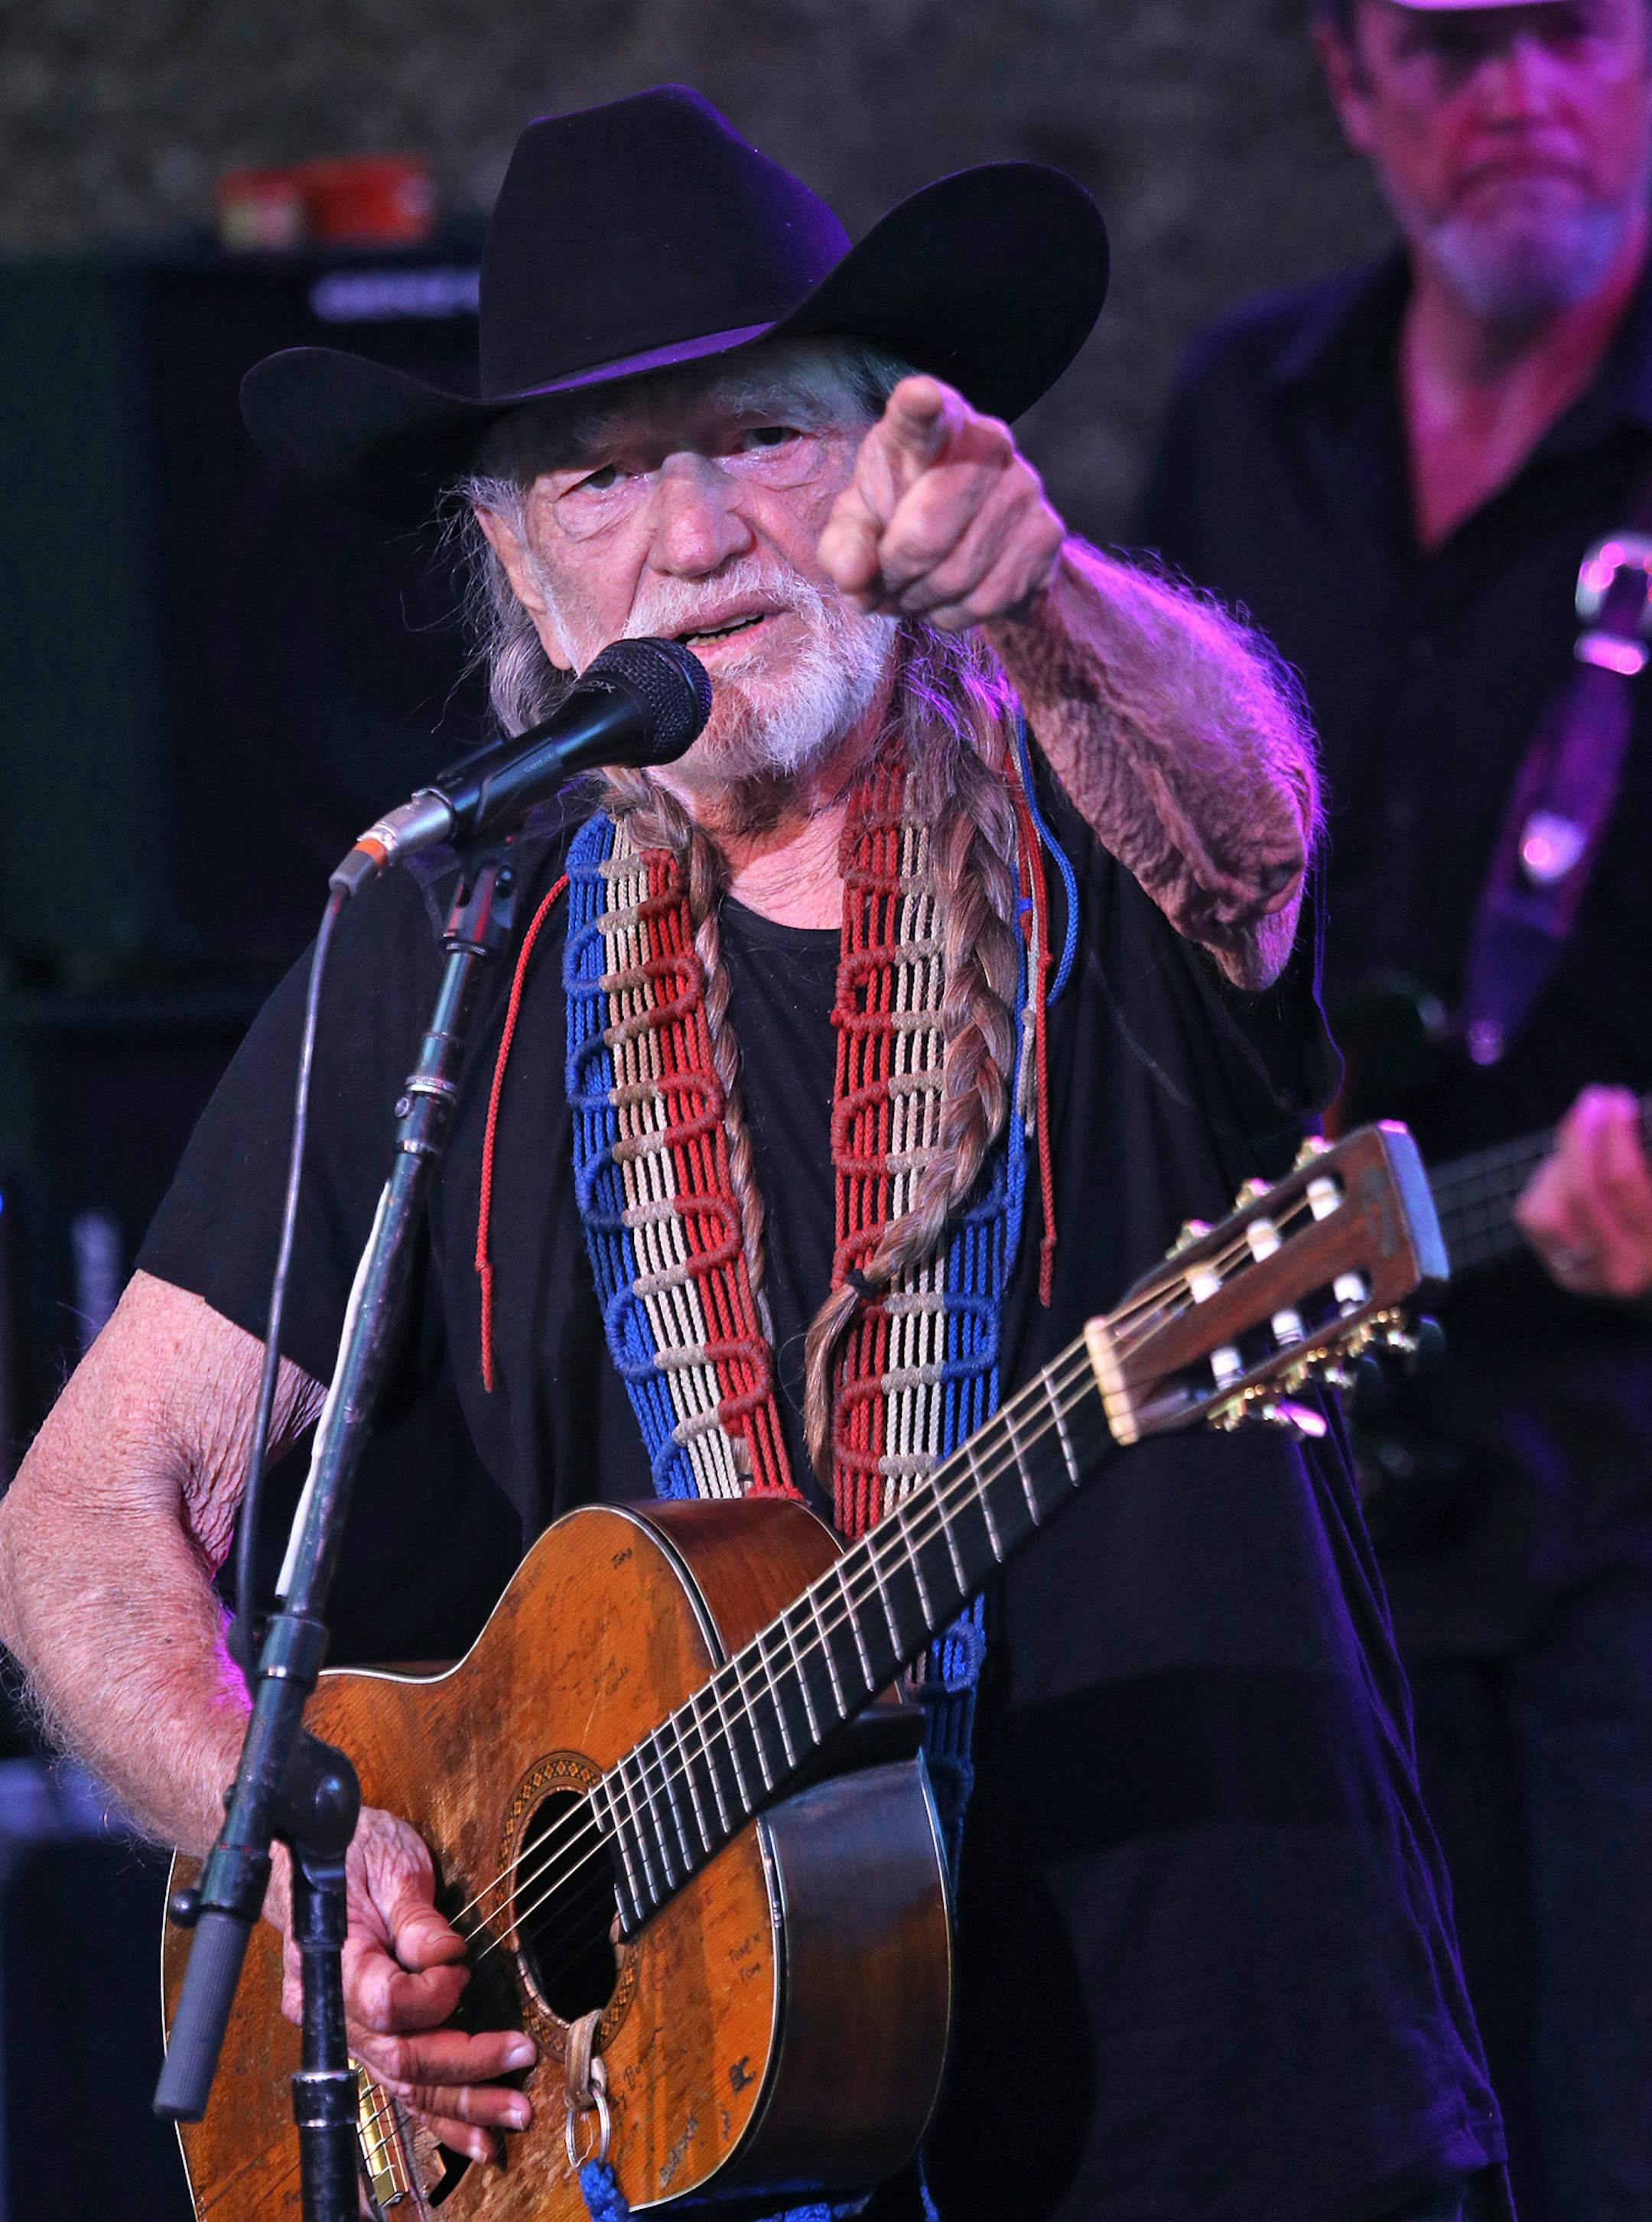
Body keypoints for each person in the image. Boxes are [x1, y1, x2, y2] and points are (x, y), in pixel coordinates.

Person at [0, 86, 1505, 2222]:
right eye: (601, 475)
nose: (694, 535)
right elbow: (75, 1520)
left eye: (763, 439)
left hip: (1230, 2121)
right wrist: (321, 1864)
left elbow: (1249, 837)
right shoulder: (451, 950)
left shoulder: (1089, 802)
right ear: (520, 564)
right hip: (684, 2153)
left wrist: (1049, 598)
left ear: (893, 459)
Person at [1137, 5, 1652, 2217]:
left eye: (1569, 29)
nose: (1512, 92)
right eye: (1446, 45)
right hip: (1321, 1463)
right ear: (1351, 87)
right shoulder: (1249, 415)